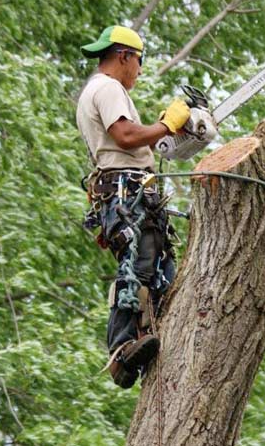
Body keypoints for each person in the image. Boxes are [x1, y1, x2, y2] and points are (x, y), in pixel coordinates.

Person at [76, 25, 190, 388]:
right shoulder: (108, 87)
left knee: (160, 269)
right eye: (139, 62)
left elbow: (130, 141)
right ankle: (122, 348)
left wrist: (164, 134)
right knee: (139, 264)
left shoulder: (96, 90)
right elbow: (125, 135)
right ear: (124, 56)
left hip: (130, 190)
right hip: (126, 190)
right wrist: (164, 125)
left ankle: (147, 333)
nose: (139, 70)